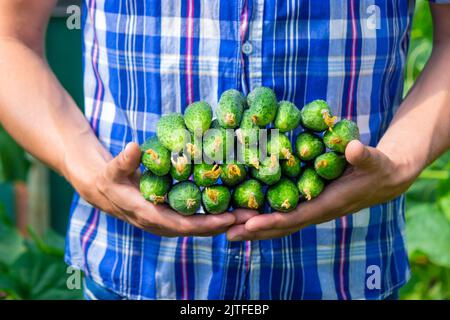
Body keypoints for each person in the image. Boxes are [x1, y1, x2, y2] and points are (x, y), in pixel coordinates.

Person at [0, 0, 449, 300]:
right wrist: (83, 164)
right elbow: (9, 39)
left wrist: (403, 160)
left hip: (347, 273)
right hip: (132, 272)